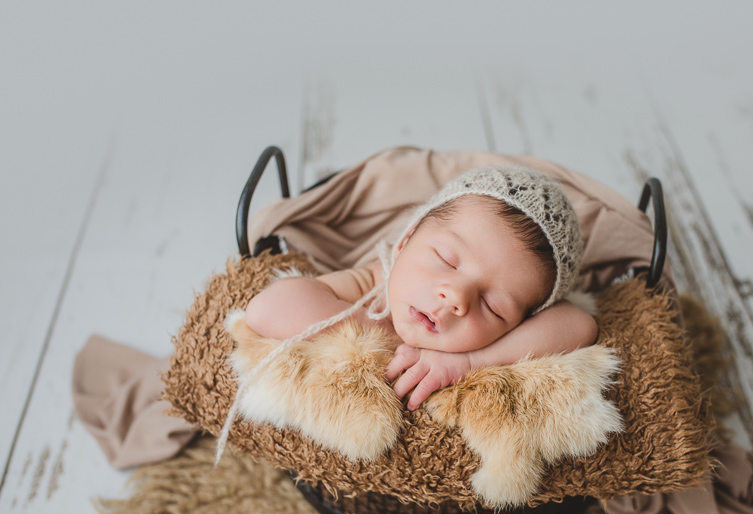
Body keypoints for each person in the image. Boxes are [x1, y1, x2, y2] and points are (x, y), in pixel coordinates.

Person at [244, 166, 597, 411]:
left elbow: (580, 325)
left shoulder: (479, 349)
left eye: (494, 306)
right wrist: (372, 329)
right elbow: (267, 308)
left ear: (522, 321)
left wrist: (470, 360)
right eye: (446, 259)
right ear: (405, 242)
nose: (456, 296)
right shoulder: (375, 283)